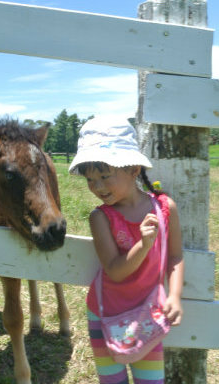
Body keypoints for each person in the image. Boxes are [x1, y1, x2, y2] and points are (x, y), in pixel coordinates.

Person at [69, 116, 184, 384]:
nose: (97, 187)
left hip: (149, 313)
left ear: (133, 169)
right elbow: (114, 271)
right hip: (104, 313)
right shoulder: (101, 218)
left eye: (105, 176)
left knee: (151, 380)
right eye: (90, 179)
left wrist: (175, 296)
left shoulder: (165, 208)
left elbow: (175, 256)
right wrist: (144, 246)